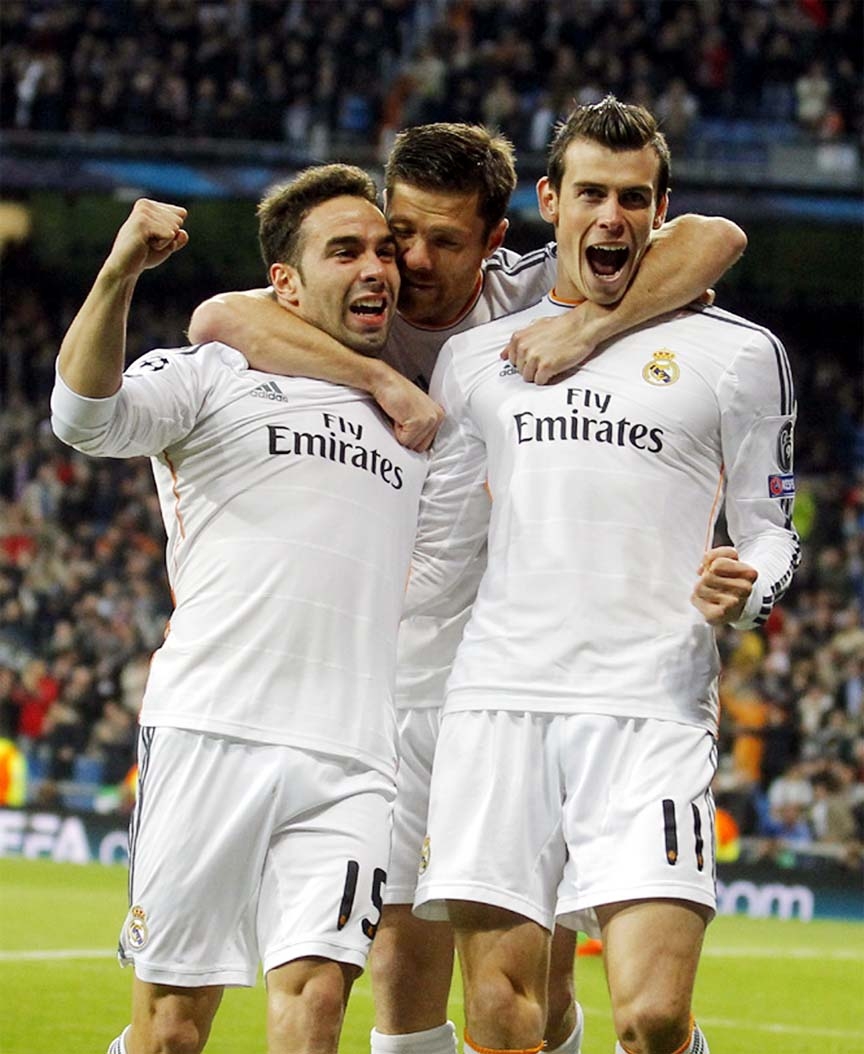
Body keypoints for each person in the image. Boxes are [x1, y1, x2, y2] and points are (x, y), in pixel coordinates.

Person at [187, 122, 748, 1054]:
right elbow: (218, 317)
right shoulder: (344, 301)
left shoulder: (525, 295)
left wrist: (591, 324)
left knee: (535, 983)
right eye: (399, 230)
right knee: (401, 983)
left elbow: (713, 238)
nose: (408, 259)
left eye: (443, 240)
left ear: (496, 243)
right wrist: (379, 377)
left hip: (505, 678)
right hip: (381, 687)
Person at [405, 97, 800, 1054]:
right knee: (502, 1018)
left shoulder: (742, 356)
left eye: (633, 197)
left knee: (654, 1018)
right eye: (590, 194)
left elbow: (773, 531)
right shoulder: (473, 360)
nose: (610, 217)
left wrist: (750, 589)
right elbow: (446, 549)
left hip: (650, 703)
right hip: (498, 702)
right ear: (551, 200)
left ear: (662, 210)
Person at [50, 166, 431, 1054]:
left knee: (317, 1010)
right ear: (286, 283)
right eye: (346, 251)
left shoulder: (420, 415)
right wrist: (119, 274)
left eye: (384, 250)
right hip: (213, 730)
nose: (377, 267)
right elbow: (82, 417)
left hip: (353, 754)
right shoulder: (211, 376)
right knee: (173, 1030)